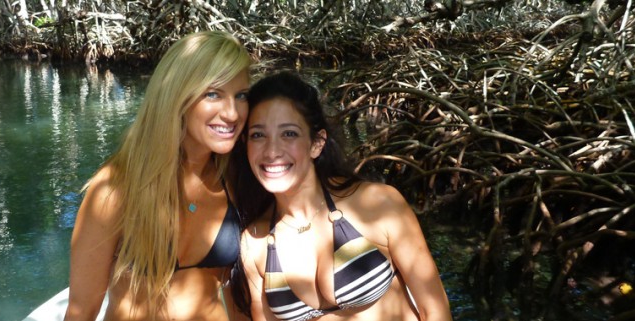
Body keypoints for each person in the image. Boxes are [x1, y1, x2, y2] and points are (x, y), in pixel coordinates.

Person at [230, 72, 452, 321]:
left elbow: (434, 309)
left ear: (317, 143)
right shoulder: (254, 243)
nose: (271, 151)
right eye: (258, 135)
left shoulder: (378, 203)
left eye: (289, 133)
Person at [65, 31, 251, 321]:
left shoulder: (235, 180)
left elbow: (237, 296)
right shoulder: (115, 188)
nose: (231, 112)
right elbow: (81, 310)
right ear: (179, 96)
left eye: (241, 95)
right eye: (213, 93)